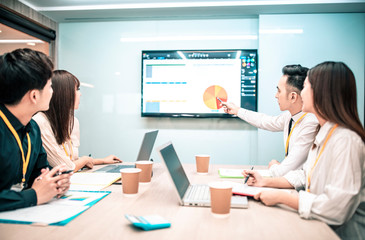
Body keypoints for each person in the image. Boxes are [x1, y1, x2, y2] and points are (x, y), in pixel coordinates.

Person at [244, 61, 365, 239]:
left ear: (322, 93)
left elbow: (336, 208)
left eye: (306, 86)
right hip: (319, 224)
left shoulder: (346, 141)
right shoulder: (325, 132)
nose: (301, 93)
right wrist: (265, 182)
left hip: (339, 233)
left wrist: (283, 198)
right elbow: (305, 174)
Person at [0, 48, 72, 212]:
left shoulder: (32, 128)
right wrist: (34, 196)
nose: (52, 92)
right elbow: (34, 192)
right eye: (50, 86)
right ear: (34, 96)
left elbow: (40, 173)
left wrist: (56, 182)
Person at [223, 65, 318, 177]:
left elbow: (282, 172)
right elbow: (265, 121)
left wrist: (274, 165)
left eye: (279, 91)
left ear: (293, 97)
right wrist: (237, 110)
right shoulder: (290, 116)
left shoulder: (310, 123)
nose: (276, 96)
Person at [33, 70, 121, 172]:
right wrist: (85, 160)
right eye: (77, 89)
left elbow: (71, 161)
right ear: (63, 94)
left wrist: (102, 160)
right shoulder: (39, 122)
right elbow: (65, 167)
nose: (80, 94)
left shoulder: (72, 121)